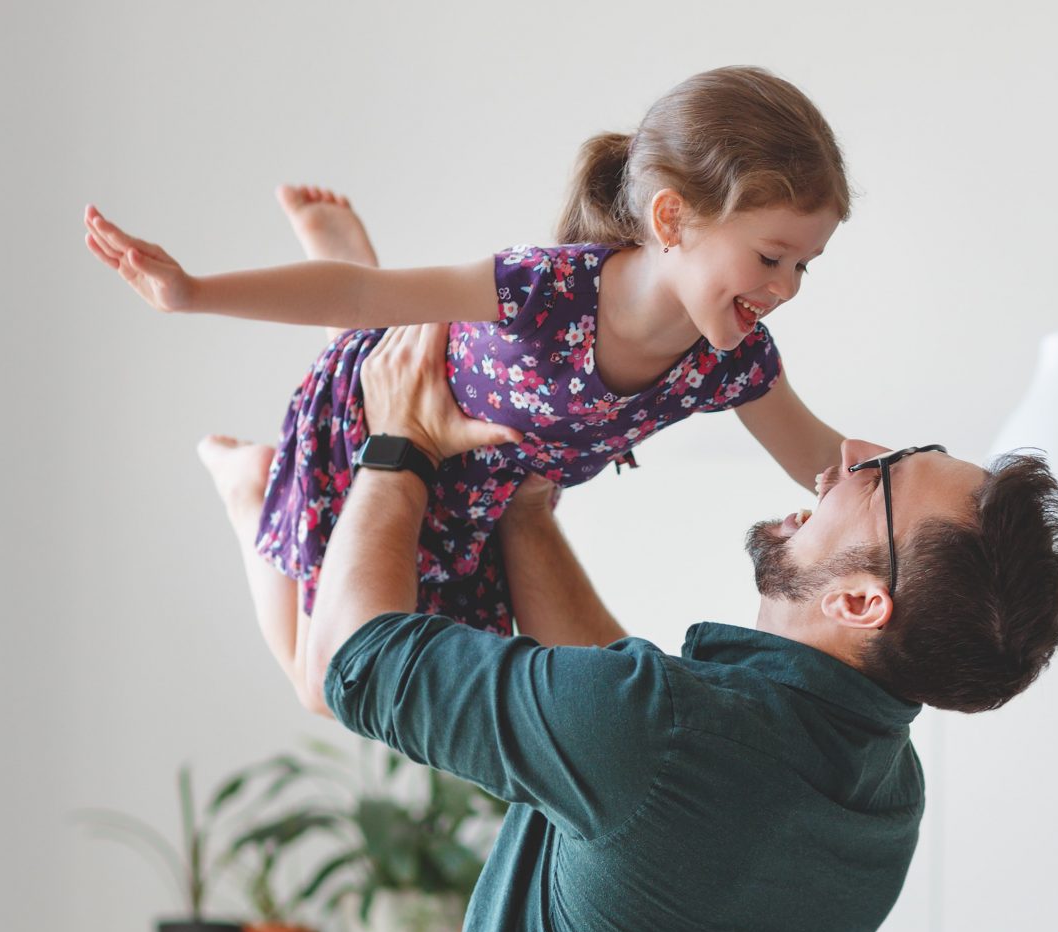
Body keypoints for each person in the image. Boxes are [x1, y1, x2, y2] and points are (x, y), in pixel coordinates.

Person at [287, 317, 1058, 932]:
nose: (850, 454)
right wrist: (526, 514)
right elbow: (627, 750)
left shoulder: (660, 735)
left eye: (884, 476)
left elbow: (346, 661)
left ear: (863, 601)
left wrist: (394, 443)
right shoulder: (878, 788)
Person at [82, 67, 864, 713]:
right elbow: (356, 294)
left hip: (474, 504)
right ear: (672, 217)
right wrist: (190, 291)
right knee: (325, 691)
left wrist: (972, 490)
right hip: (374, 431)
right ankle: (250, 489)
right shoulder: (547, 289)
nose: (787, 288)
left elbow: (827, 460)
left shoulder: (730, 360)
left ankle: (360, 318)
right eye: (771, 258)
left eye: (805, 265)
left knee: (374, 680)